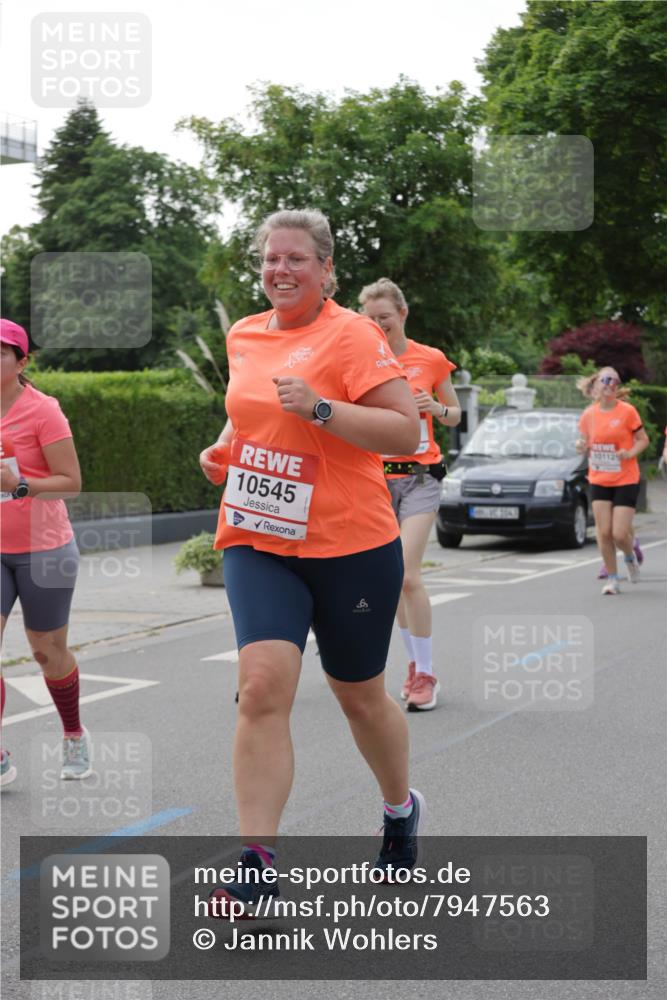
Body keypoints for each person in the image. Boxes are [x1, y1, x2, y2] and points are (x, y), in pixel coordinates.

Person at [198, 209, 424, 918]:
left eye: (297, 259)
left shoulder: (351, 335)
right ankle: (256, 867)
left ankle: (398, 809)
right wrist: (225, 446)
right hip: (259, 536)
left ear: (326, 269)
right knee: (261, 686)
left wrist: (323, 410)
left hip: (350, 544)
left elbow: (404, 429)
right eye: (271, 259)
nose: (281, 270)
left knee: (358, 696)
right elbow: (249, 409)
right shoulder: (243, 333)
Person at [359, 279, 461, 711]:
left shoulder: (430, 359)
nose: (379, 326)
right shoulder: (360, 360)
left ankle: (426, 673)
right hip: (376, 479)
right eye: (370, 319)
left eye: (385, 317)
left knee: (407, 575)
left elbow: (455, 414)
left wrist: (435, 409)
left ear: (402, 314)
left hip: (421, 476)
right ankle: (414, 665)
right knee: (389, 581)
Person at [1, 319, 89, 786]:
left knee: (46, 653)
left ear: (21, 361)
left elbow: (71, 483)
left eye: (0, 353)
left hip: (44, 549)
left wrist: (18, 486)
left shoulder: (43, 411)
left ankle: (73, 733)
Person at [575, 367, 649, 595]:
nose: (610, 384)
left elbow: (643, 439)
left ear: (617, 387)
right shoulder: (589, 415)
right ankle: (613, 579)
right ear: (596, 385)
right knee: (603, 532)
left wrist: (629, 452)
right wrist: (580, 446)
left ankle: (630, 558)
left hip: (625, 478)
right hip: (599, 478)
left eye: (614, 381)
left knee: (619, 533)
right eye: (605, 380)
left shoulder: (627, 412)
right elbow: (584, 443)